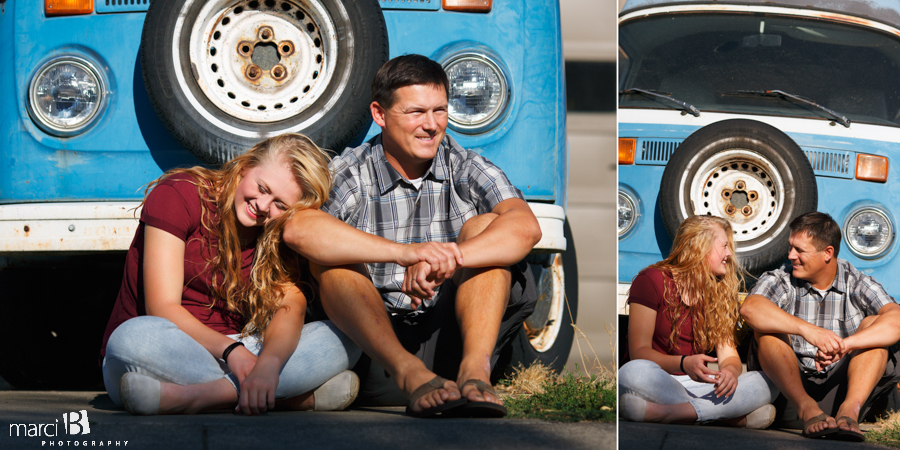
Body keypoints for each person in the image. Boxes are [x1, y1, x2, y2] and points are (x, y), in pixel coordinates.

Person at [281, 54, 542, 418]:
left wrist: (452, 256)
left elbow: (525, 227)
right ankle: (411, 375)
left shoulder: (463, 164)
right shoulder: (350, 171)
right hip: (377, 346)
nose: (432, 125)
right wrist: (406, 253)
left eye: (440, 111)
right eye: (416, 112)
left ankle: (475, 375)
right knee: (332, 262)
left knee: (485, 229)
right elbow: (299, 229)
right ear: (380, 114)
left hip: (453, 334)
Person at [100, 134, 362, 415]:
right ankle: (286, 397)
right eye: (262, 187)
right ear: (245, 166)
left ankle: (200, 397)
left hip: (245, 349)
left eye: (280, 205)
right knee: (129, 339)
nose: (263, 205)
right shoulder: (180, 193)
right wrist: (231, 353)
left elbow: (289, 308)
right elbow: (161, 307)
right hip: (173, 347)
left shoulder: (279, 229)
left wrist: (270, 365)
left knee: (348, 334)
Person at [741, 212, 900, 441]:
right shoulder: (783, 277)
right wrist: (809, 331)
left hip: (842, 389)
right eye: (790, 247)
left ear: (827, 253)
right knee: (766, 328)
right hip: (791, 394)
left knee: (874, 324)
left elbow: (895, 320)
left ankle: (849, 412)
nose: (790, 256)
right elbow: (750, 308)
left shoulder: (855, 280)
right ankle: (808, 409)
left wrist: (844, 345)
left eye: (799, 250)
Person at [619, 215, 779, 428]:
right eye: (724, 246)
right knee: (633, 372)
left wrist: (729, 373)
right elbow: (639, 351)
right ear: (700, 247)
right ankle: (730, 418)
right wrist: (684, 363)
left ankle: (672, 413)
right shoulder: (651, 280)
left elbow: (729, 356)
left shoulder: (719, 290)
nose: (729, 254)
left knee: (770, 381)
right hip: (658, 380)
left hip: (700, 386)